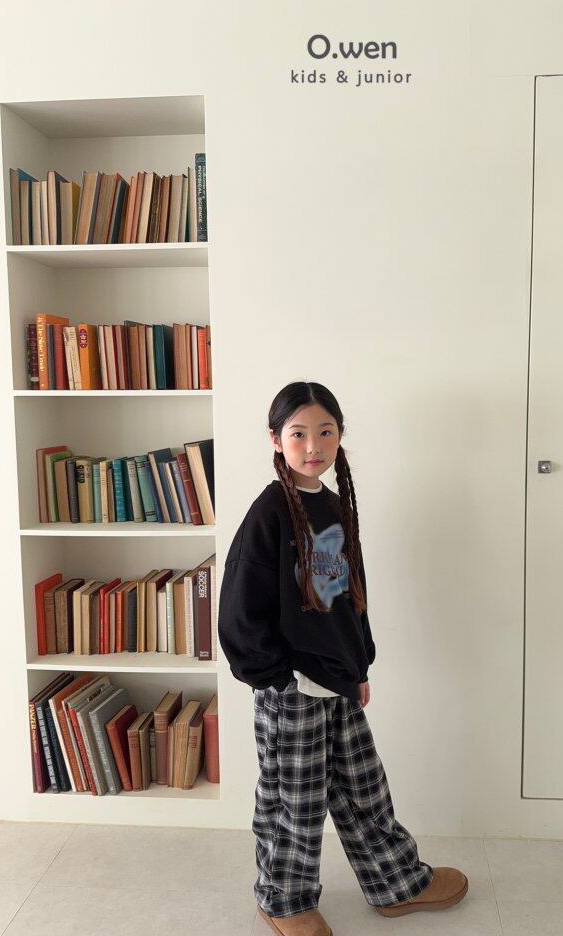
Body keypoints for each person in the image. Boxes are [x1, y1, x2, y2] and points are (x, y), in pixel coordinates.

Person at [218, 380, 468, 936]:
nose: (313, 446)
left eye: (326, 432)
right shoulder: (268, 514)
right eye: (298, 433)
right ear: (275, 439)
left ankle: (395, 882)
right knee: (295, 801)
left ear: (339, 436)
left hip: (336, 680)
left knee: (362, 787)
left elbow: (345, 596)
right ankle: (284, 900)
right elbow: (239, 610)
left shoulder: (332, 506)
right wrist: (278, 678)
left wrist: (358, 668)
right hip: (291, 688)